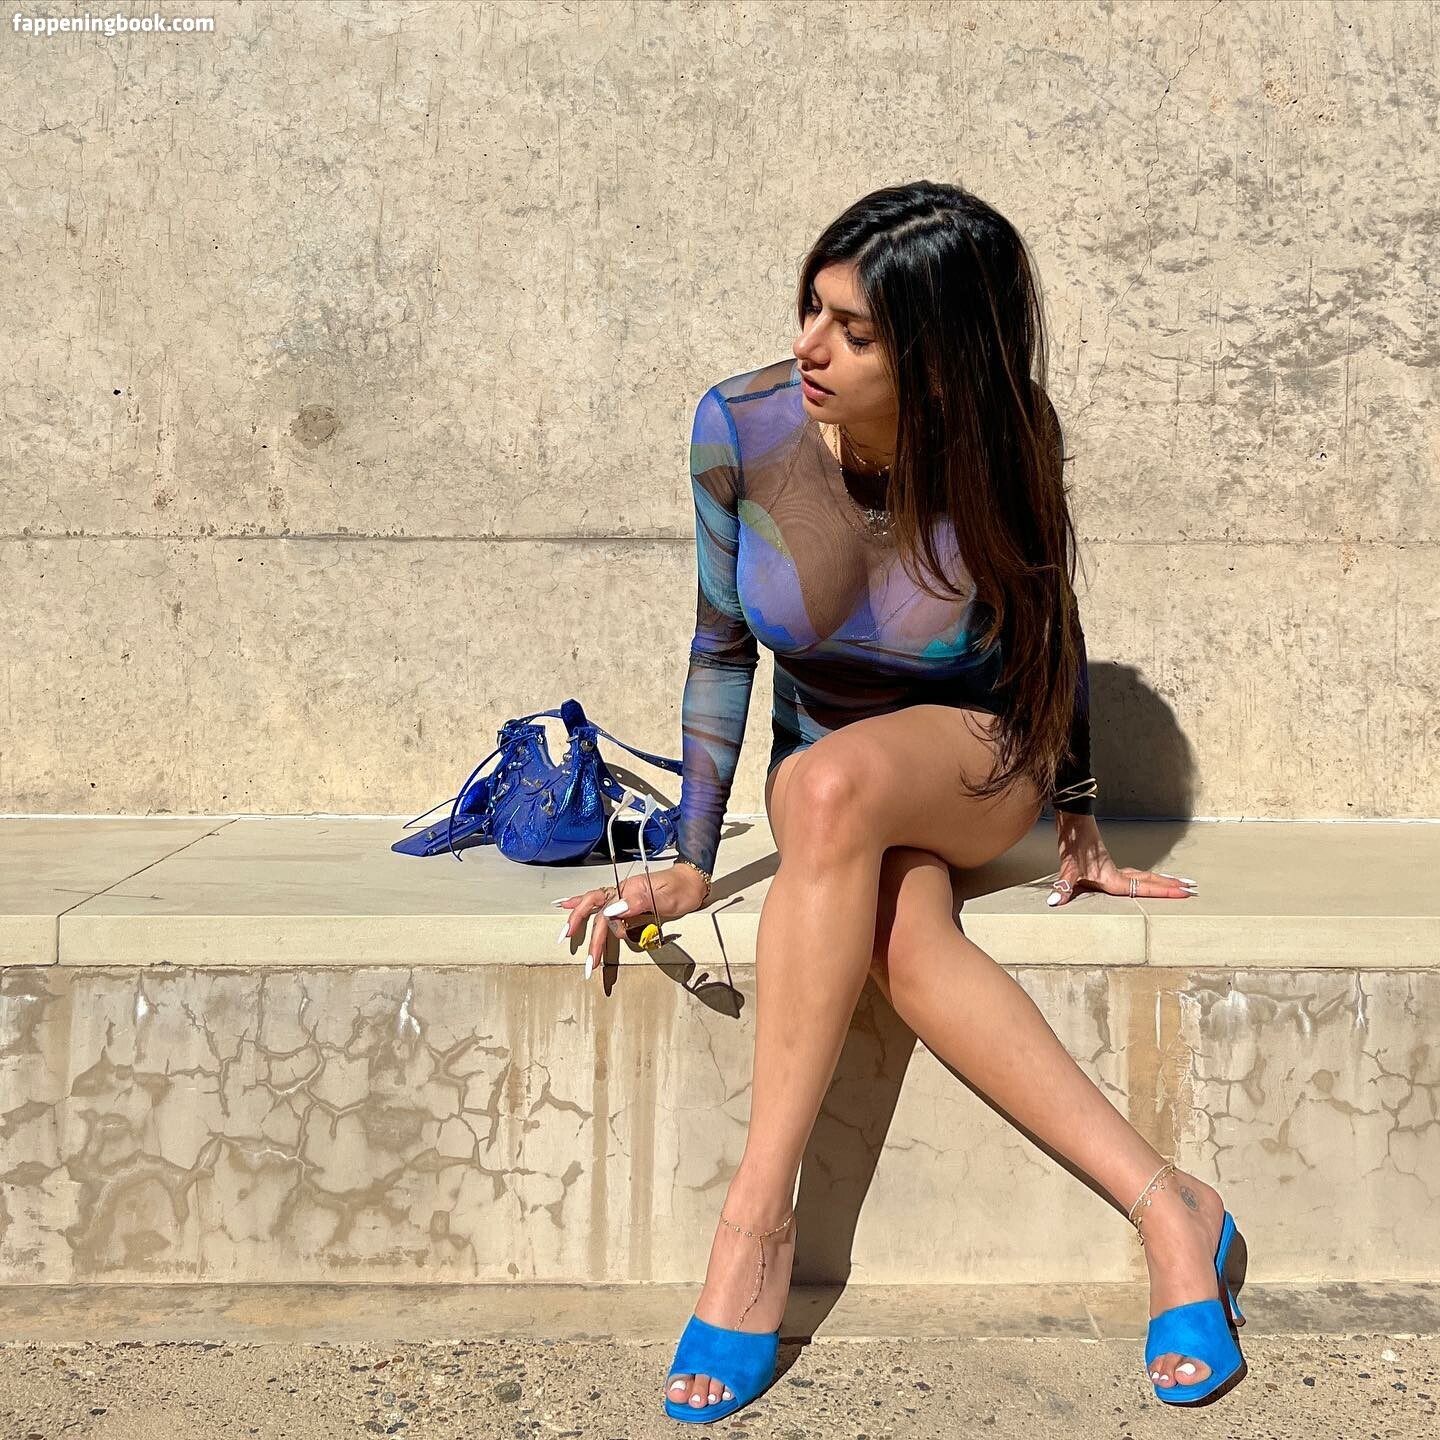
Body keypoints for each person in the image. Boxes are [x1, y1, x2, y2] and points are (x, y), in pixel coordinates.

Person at [553, 181, 1246, 1422]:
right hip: (833, 789)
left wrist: (1077, 809)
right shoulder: (738, 427)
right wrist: (693, 858)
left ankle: (754, 1225)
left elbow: (1049, 621)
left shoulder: (1002, 434)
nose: (810, 347)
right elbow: (721, 648)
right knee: (895, 926)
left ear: (937, 359)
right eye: (811, 309)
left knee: (825, 789)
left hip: (979, 759)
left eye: (856, 332)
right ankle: (1173, 1210)